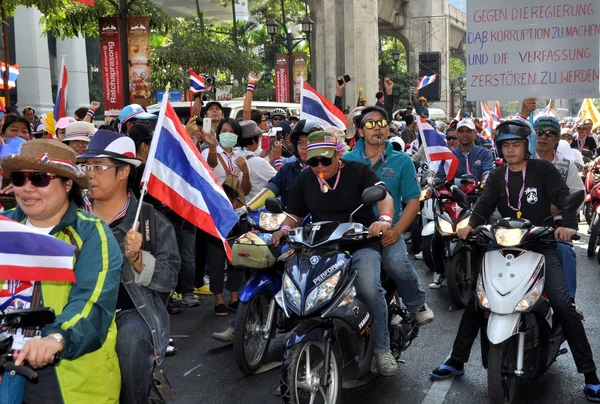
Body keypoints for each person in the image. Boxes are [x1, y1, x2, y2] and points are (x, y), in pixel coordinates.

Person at [429, 119, 600, 403]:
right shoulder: (497, 175)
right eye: (505, 145)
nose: (510, 150)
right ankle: (457, 360)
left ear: (527, 146)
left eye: (516, 145)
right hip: (501, 244)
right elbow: (483, 205)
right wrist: (469, 223)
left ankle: (591, 376)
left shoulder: (543, 170)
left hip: (541, 244)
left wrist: (567, 225)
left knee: (562, 304)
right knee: (478, 302)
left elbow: (562, 197)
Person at [0, 139, 122, 403]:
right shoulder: (4, 226)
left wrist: (56, 338)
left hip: (67, 376)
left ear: (68, 184)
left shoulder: (92, 233)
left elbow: (92, 300)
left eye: (40, 179)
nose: (27, 188)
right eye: (19, 178)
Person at [271, 131, 400, 376]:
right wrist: (285, 228)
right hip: (321, 247)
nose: (319, 166)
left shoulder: (359, 171)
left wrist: (383, 220)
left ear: (338, 155)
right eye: (313, 161)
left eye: (325, 160)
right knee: (299, 286)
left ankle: (382, 350)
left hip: (361, 244)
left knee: (369, 289)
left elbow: (384, 197)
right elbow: (294, 213)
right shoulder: (305, 178)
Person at [77, 130, 180, 404]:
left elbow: (169, 278)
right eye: (87, 166)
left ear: (123, 172)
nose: (90, 174)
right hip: (78, 306)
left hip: (130, 311)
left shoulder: (152, 222)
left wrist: (138, 259)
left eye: (99, 167)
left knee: (132, 340)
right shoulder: (74, 215)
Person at [343, 106, 434, 325]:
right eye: (370, 124)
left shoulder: (402, 160)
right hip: (356, 234)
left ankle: (416, 301)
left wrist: (396, 231)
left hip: (390, 230)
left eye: (382, 123)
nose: (377, 129)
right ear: (360, 131)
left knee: (396, 263)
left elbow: (413, 202)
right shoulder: (347, 159)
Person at [430, 118, 493, 288]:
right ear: (457, 134)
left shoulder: (484, 153)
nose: (464, 135)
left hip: (478, 202)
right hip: (453, 202)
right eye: (461, 131)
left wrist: (485, 183)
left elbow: (488, 171)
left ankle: (491, 271)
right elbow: (440, 177)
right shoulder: (449, 157)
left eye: (468, 131)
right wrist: (432, 184)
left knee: (490, 232)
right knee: (438, 235)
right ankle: (440, 272)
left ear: (474, 133)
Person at [533, 115, 584, 301]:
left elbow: (576, 197)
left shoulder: (566, 166)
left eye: (550, 133)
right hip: (521, 226)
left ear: (557, 139)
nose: (543, 137)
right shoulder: (519, 162)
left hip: (555, 227)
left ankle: (569, 302)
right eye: (539, 132)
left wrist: (565, 220)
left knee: (565, 251)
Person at [238, 120, 277, 200]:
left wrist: (261, 156)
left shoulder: (237, 154)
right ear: (253, 140)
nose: (260, 140)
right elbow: (281, 180)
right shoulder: (259, 162)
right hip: (258, 207)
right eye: (259, 137)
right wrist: (278, 158)